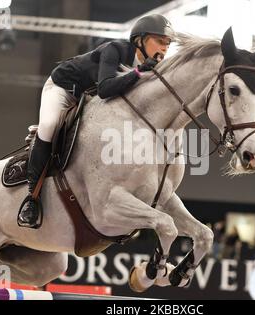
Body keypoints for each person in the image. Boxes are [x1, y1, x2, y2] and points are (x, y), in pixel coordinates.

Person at [17, 14, 175, 228]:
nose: (164, 48)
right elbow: (105, 89)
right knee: (49, 126)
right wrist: (138, 72)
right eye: (159, 41)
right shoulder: (116, 50)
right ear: (139, 40)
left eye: (167, 44)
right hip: (63, 88)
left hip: (87, 99)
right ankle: (32, 198)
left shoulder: (151, 68)